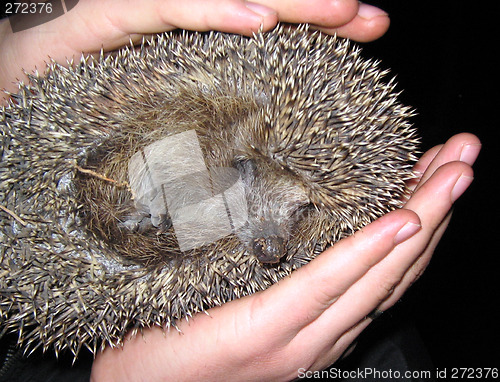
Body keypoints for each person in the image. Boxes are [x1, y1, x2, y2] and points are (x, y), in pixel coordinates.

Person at [0, 1, 481, 381]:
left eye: (298, 212)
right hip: (134, 146)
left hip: (143, 218)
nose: (272, 245)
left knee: (205, 206)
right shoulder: (213, 113)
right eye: (252, 167)